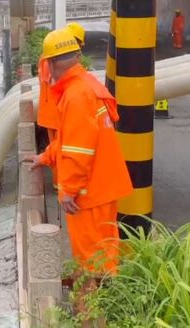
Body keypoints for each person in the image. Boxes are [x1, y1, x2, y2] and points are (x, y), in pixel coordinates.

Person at [28, 29, 133, 274]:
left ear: (50, 64)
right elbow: (70, 138)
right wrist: (45, 157)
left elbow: (78, 150)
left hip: (89, 193)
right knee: (106, 251)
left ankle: (92, 311)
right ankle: (107, 304)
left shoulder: (75, 96)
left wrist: (69, 191)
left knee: (91, 260)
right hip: (102, 186)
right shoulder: (85, 85)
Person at [36, 22, 86, 188]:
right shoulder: (49, 61)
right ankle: (60, 183)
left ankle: (62, 183)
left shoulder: (48, 58)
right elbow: (52, 81)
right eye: (76, 45)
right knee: (60, 150)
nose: (78, 50)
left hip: (56, 111)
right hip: (54, 113)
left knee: (62, 148)